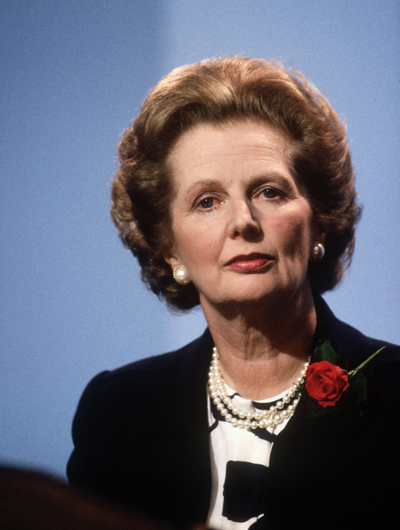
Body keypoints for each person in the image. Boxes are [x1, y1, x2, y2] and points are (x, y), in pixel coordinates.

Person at [67, 56, 400, 528]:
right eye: (207, 201)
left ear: (319, 220)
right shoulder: (117, 410)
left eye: (269, 192)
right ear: (168, 247)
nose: (243, 221)